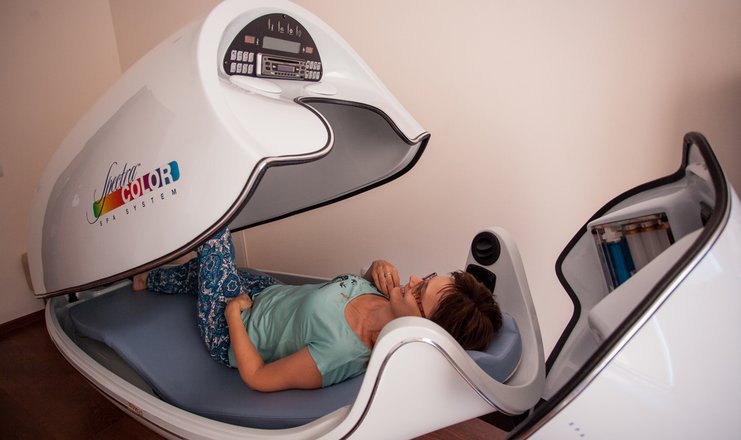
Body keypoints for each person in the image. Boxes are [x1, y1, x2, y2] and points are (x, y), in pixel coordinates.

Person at [133, 228, 502, 392]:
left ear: (422, 329)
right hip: (268, 292)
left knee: (215, 236)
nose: (415, 279)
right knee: (203, 273)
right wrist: (372, 269)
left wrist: (232, 316)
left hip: (232, 329)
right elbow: (348, 287)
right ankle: (148, 280)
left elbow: (258, 377)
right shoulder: (384, 293)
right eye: (428, 278)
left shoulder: (340, 352)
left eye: (420, 292)